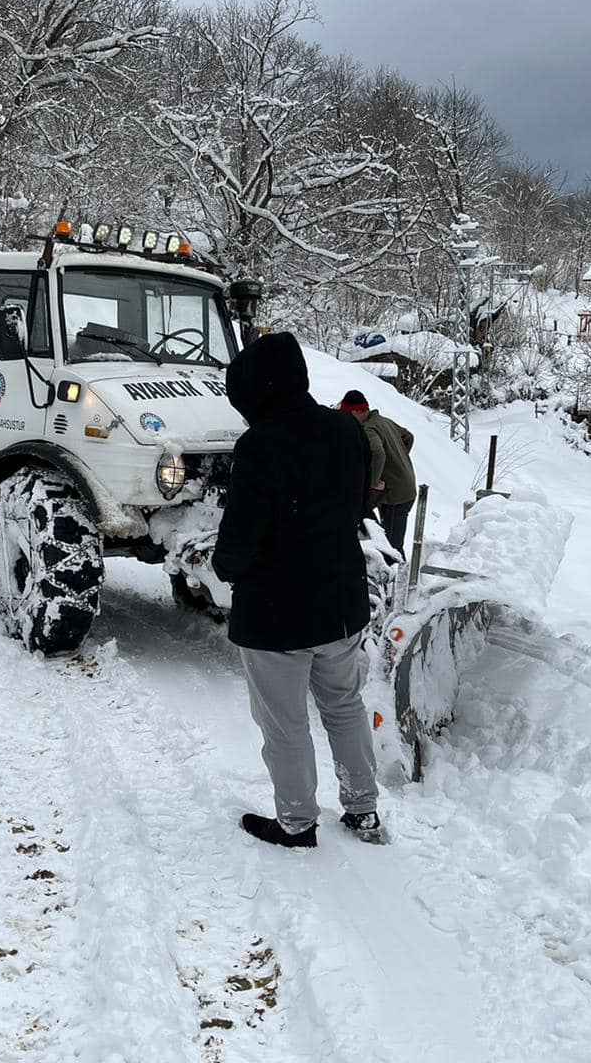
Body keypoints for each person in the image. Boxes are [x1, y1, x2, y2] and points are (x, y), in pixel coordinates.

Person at [214, 334, 382, 848]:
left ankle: (296, 822)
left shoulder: (259, 445)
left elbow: (243, 534)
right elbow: (353, 509)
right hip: (340, 605)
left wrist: (226, 567)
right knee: (344, 705)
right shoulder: (344, 429)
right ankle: (362, 809)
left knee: (284, 722)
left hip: (276, 615)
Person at [339, 390, 417, 556]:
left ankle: (398, 576)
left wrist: (373, 482)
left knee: (392, 546)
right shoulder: (383, 421)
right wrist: (397, 462)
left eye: (348, 414)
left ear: (357, 412)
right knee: (384, 536)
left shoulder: (369, 429)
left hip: (397, 494)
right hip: (402, 487)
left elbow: (377, 453)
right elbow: (408, 437)